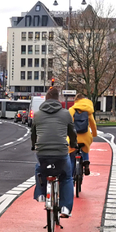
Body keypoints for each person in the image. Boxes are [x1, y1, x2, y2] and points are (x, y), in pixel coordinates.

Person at [31, 87, 77, 218]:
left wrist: (34, 146)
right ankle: (65, 207)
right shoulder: (66, 114)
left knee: (39, 169)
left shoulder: (37, 115)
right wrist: (73, 144)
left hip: (42, 152)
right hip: (61, 152)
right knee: (67, 177)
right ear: (58, 99)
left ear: (46, 99)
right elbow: (72, 133)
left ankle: (40, 194)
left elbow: (33, 134)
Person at [69, 94, 97, 176]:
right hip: (85, 136)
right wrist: (94, 134)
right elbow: (93, 124)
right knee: (85, 147)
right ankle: (86, 161)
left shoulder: (72, 110)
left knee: (72, 157)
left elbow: (67, 123)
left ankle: (71, 177)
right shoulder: (88, 110)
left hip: (74, 136)